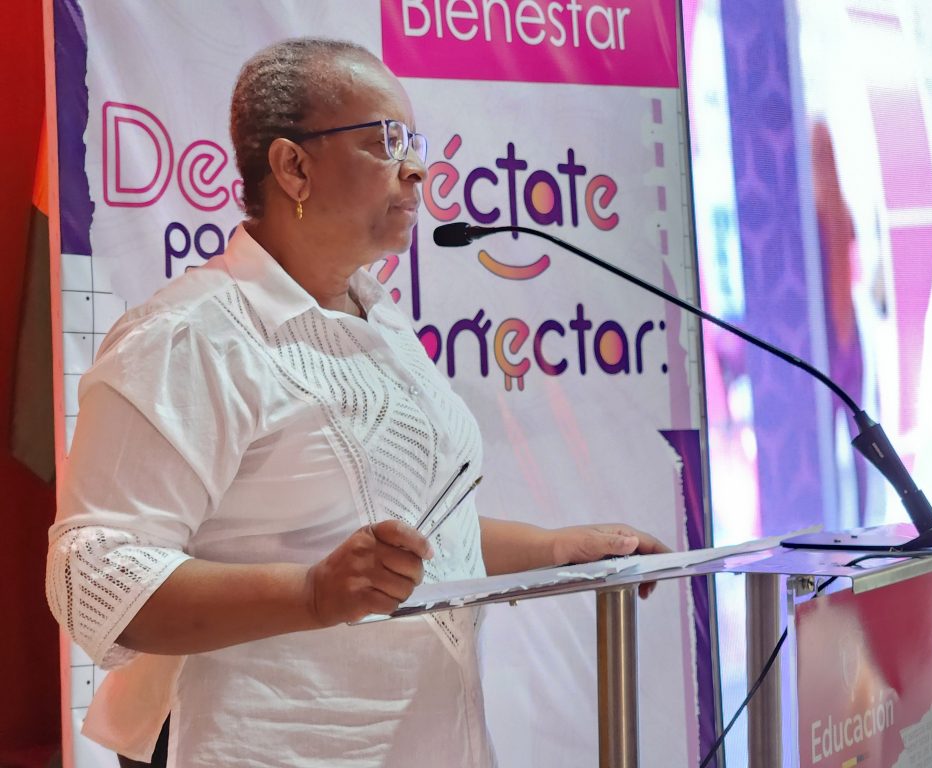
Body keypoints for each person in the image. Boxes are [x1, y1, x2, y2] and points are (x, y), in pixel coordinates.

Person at [45, 38, 669, 768]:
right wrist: (312, 594)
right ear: (293, 166)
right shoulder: (189, 336)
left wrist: (557, 550)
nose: (418, 169)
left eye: (415, 144)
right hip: (258, 746)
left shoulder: (381, 322)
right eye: (384, 142)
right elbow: (94, 578)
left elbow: (410, 537)